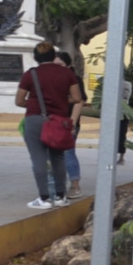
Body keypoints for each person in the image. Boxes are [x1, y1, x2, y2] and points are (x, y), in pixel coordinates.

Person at [15, 41, 84, 209]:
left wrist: (34, 103)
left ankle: (44, 198)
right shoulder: (67, 74)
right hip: (58, 120)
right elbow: (76, 98)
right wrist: (60, 101)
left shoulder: (30, 74)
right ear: (54, 56)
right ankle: (60, 196)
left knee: (38, 158)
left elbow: (19, 101)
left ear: (35, 58)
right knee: (58, 158)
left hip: (35, 119)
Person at [52, 50, 87, 199]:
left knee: (68, 153)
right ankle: (56, 185)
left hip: (68, 121)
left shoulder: (74, 79)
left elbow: (80, 101)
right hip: (53, 121)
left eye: (60, 65)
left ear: (68, 65)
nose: (57, 68)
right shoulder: (51, 79)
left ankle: (75, 185)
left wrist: (72, 122)